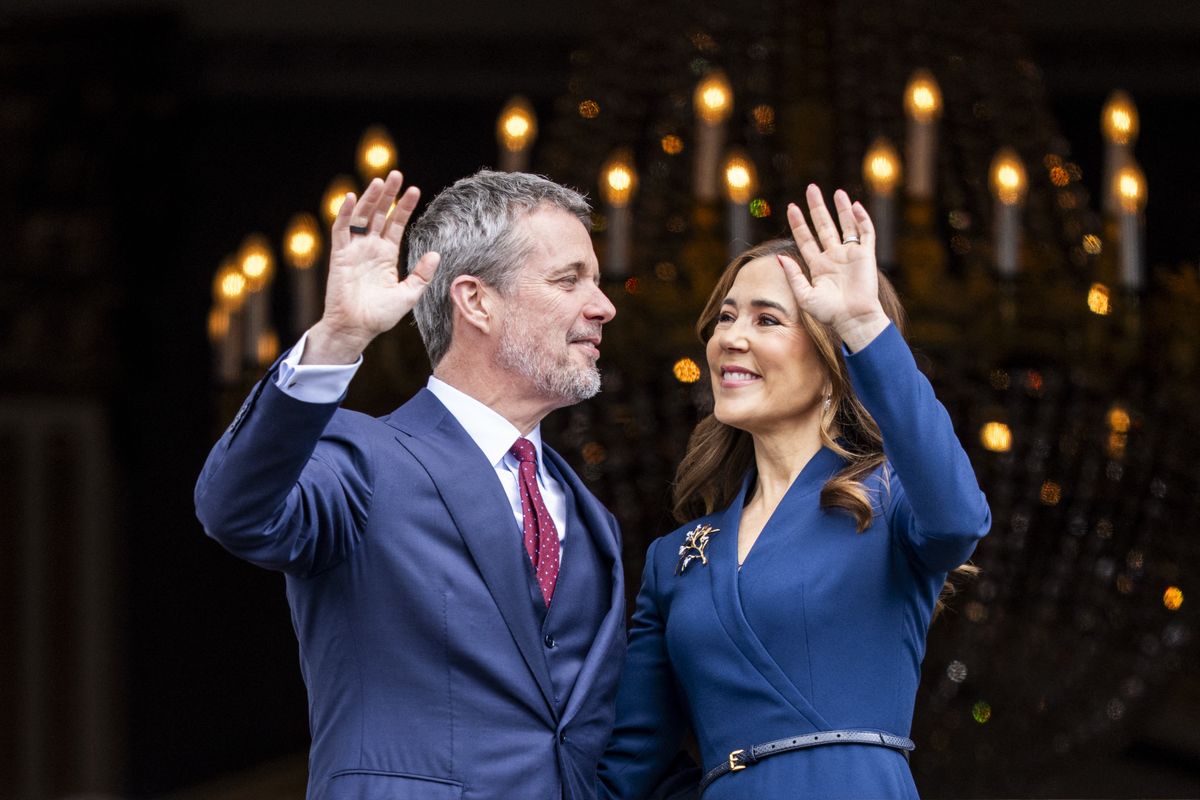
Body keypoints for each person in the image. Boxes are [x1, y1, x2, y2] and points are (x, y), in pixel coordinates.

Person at [195, 169, 627, 800]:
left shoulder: (587, 514)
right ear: (476, 300)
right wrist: (339, 338)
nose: (604, 306)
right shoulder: (362, 461)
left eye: (596, 279)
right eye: (569, 280)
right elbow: (235, 509)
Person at [598, 185, 991, 799]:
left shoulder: (887, 501)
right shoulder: (674, 558)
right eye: (725, 316)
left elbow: (958, 517)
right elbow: (630, 771)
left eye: (767, 319)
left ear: (833, 361)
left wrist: (864, 325)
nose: (731, 336)